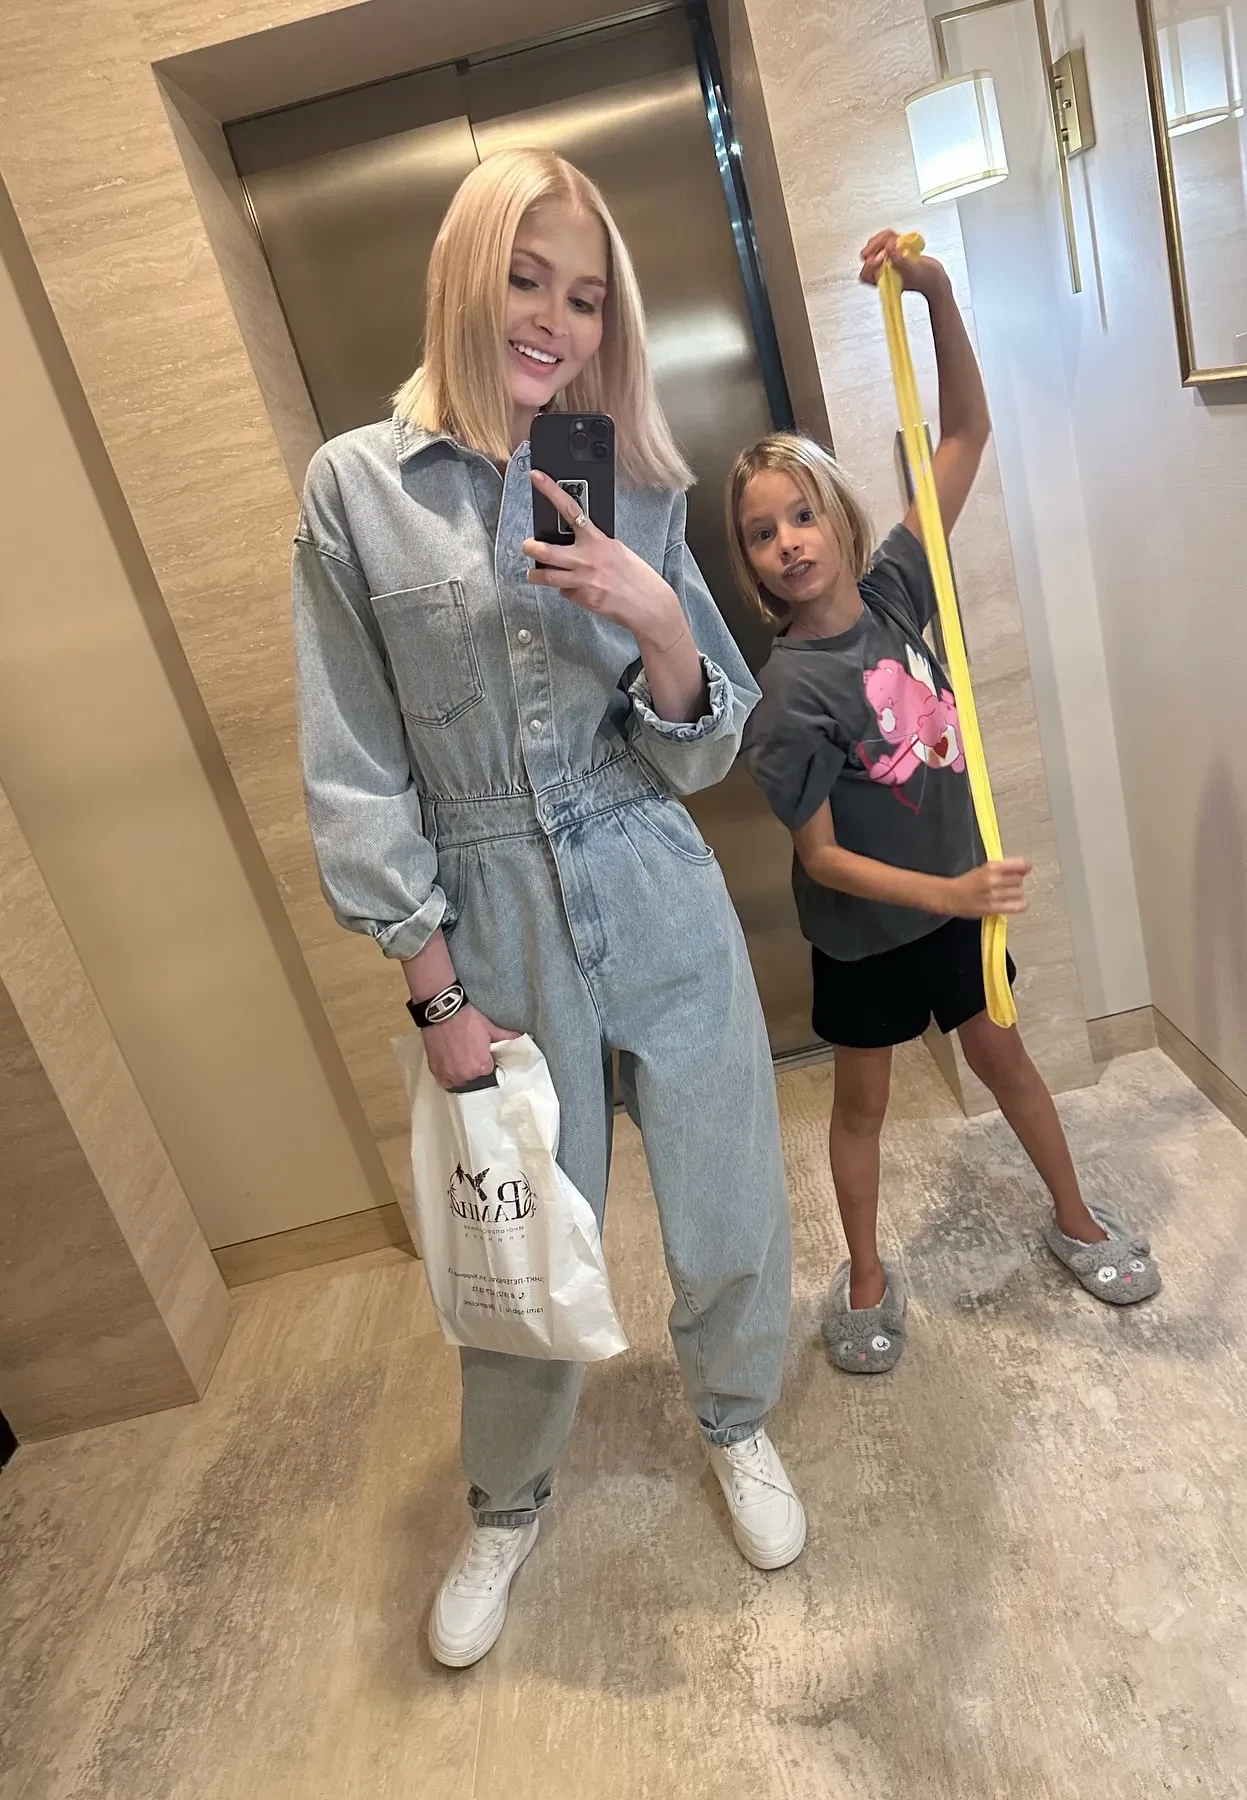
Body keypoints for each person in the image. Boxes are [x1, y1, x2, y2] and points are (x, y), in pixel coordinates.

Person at [291, 148, 805, 1670]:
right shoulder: (356, 491)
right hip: (491, 909)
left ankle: (736, 1419)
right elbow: (354, 769)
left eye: (584, 298)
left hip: (651, 869)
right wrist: (435, 992)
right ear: (465, 273)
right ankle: (507, 1500)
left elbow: (702, 748)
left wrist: (655, 614)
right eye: (526, 279)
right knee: (516, 1236)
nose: (554, 321)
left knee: (727, 1193)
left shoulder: (635, 479)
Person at [729, 230, 1161, 1377]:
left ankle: (1076, 1217)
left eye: (800, 515)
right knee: (863, 1107)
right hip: (868, 936)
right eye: (762, 534)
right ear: (751, 561)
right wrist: (951, 892)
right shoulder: (787, 698)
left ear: (836, 515)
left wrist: (935, 293)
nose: (787, 544)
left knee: (1007, 1063)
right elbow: (821, 859)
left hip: (959, 914)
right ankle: (868, 1274)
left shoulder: (896, 590)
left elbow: (965, 429)